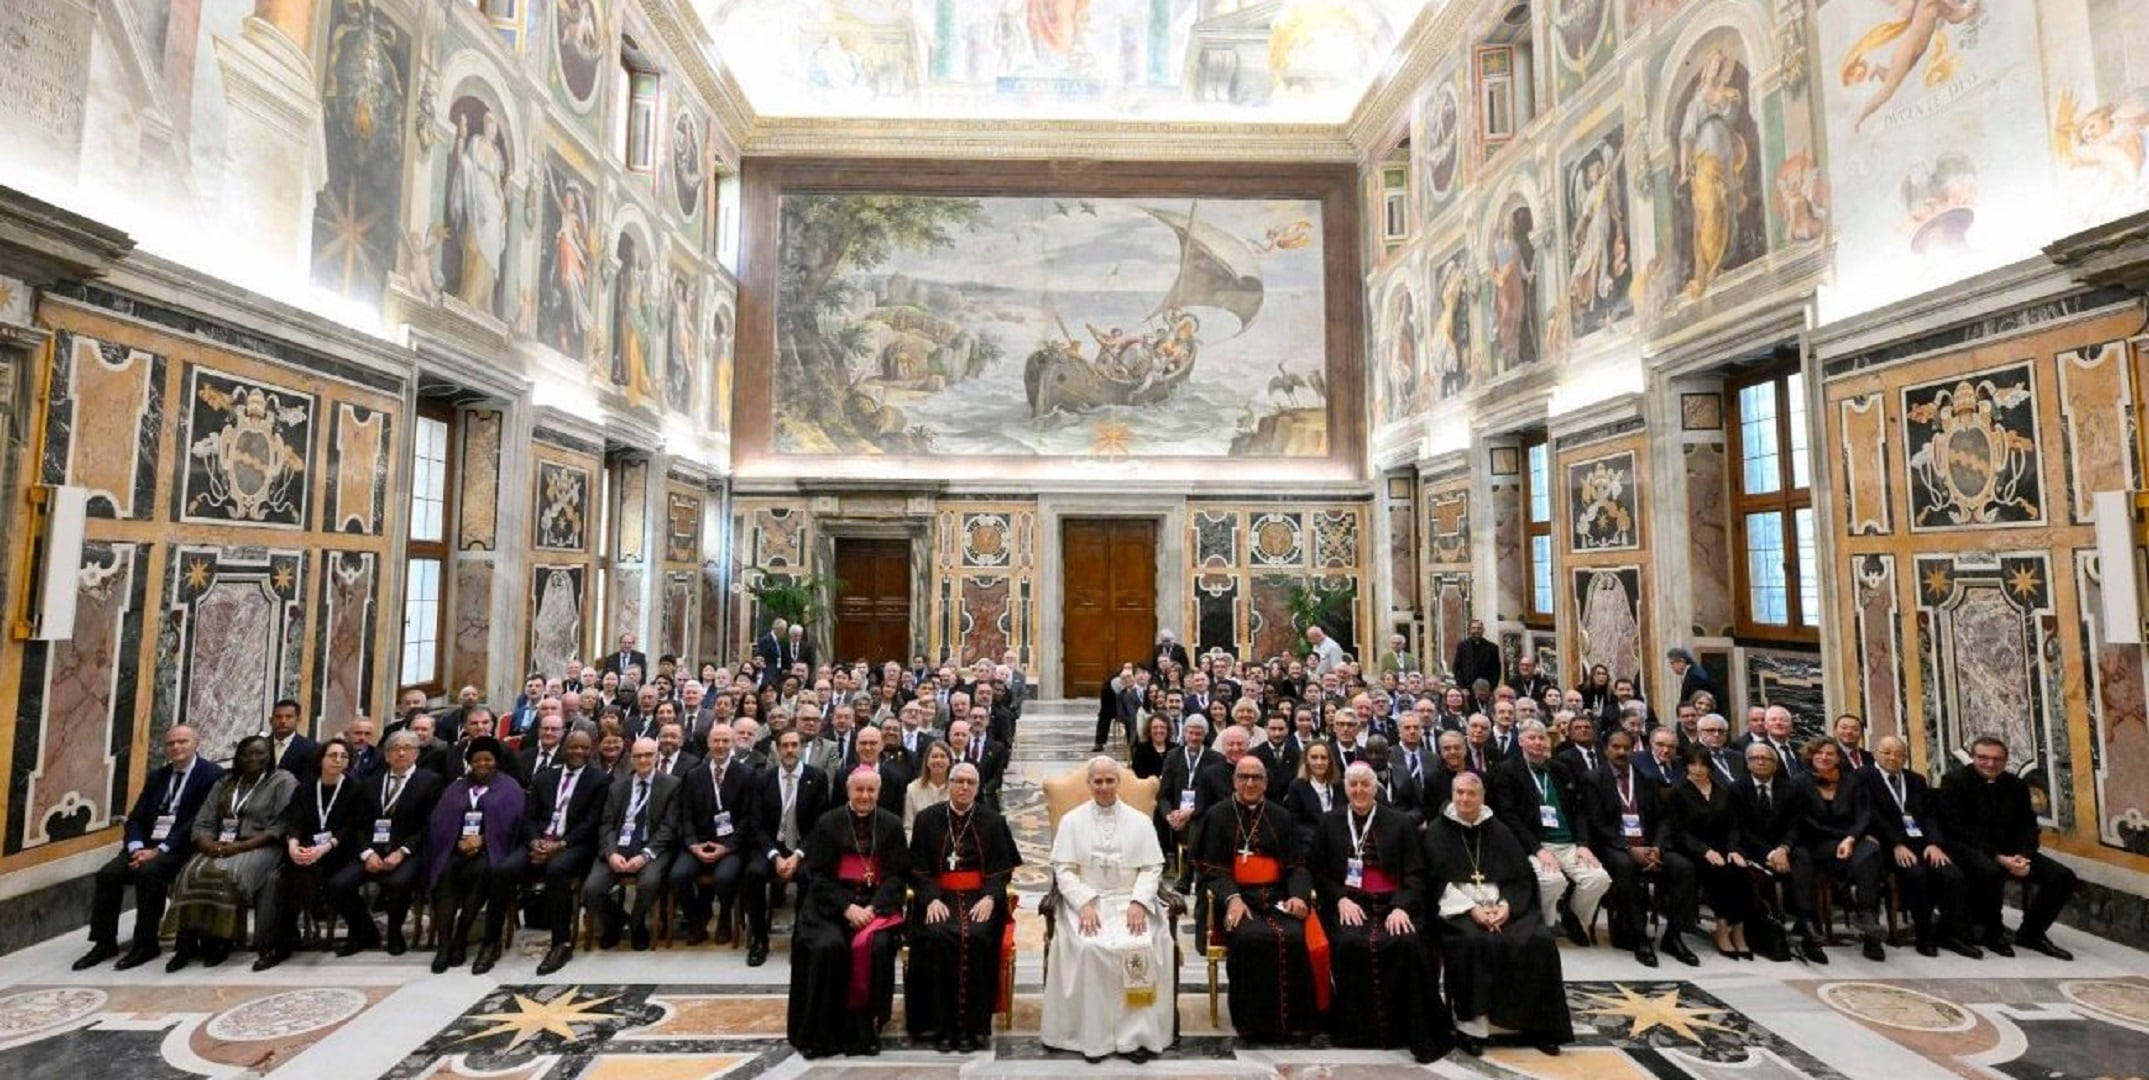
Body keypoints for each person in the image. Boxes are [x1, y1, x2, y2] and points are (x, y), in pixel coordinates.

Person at [1422, 772, 1574, 1057]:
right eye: (1460, 793)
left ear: (1482, 797)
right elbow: (1435, 883)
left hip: (1503, 907)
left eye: (1471, 793)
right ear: (1452, 795)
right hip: (1459, 909)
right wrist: (1473, 909)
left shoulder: (1499, 830)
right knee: (1473, 943)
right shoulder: (1437, 831)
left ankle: (1536, 1026)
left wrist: (1506, 907)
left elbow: (1520, 878)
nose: (1465, 799)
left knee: (1539, 941)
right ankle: (1472, 1028)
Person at [1312, 763, 1452, 1062]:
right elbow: (1319, 873)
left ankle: (1405, 1028)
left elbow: (1416, 874)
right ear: (1345, 788)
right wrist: (1339, 900)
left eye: (1365, 784)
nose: (1359, 790)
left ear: (1376, 788)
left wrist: (1402, 905)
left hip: (1395, 905)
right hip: (1350, 904)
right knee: (1349, 943)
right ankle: (1356, 1031)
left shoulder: (1399, 823)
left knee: (1407, 943)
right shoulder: (1330, 823)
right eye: (1353, 785)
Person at [1041, 756, 1174, 1063]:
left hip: (1131, 900)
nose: (1103, 787)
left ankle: (1138, 1036)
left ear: (1118, 782)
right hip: (1087, 901)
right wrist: (1083, 902)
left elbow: (1152, 867)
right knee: (1090, 948)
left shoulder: (1139, 821)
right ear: (1089, 784)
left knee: (1138, 946)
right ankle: (1095, 1037)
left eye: (1109, 781)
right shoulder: (1072, 821)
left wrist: (1140, 901)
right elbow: (1064, 869)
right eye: (1097, 781)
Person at [1196, 755, 1324, 1044]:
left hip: (1277, 898)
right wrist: (1232, 898)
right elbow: (1211, 870)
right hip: (1238, 900)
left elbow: (1296, 865)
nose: (1250, 783)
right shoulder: (1218, 815)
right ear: (1234, 780)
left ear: (1266, 782)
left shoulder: (1280, 816)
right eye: (1244, 777)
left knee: (1293, 937)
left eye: (1256, 777)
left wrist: (1299, 896)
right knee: (1247, 939)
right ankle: (1252, 1024)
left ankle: (1294, 1023)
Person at [77, 725, 223, 971]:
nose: (176, 747)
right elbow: (136, 817)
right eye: (171, 743)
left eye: (182, 742)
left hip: (180, 846)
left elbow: (198, 821)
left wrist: (161, 850)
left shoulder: (212, 775)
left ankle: (145, 943)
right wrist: (135, 847)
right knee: (108, 874)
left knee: (148, 873)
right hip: (145, 845)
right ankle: (104, 942)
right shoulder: (158, 776)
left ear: (196, 743)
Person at [788, 769, 910, 1059]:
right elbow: (816, 875)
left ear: (878, 793)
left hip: (873, 907)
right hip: (830, 907)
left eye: (871, 790)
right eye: (859, 790)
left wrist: (872, 907)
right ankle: (823, 1033)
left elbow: (897, 876)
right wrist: (847, 907)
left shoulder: (891, 825)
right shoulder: (828, 823)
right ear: (848, 790)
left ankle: (865, 1029)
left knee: (876, 946)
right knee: (829, 947)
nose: (865, 796)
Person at [905, 763, 1021, 1052]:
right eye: (959, 781)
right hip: (938, 898)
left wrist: (991, 898)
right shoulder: (927, 819)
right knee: (935, 936)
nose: (965, 787)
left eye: (971, 782)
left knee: (980, 936)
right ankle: (941, 1028)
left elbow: (1001, 871)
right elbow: (917, 868)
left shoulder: (992, 821)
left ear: (978, 787)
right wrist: (929, 897)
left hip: (978, 898)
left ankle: (974, 1029)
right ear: (950, 784)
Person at [162, 735, 297, 972]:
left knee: (223, 874)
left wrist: (240, 847)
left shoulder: (282, 781)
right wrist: (208, 845)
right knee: (190, 873)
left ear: (270, 756)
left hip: (262, 847)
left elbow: (279, 826)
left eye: (259, 753)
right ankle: (186, 943)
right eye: (246, 754)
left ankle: (220, 941)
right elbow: (203, 821)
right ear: (238, 757)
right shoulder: (225, 782)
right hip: (221, 844)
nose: (252, 758)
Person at [1938, 736, 2077, 960]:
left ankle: (2032, 933)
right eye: (1983, 758)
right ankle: (1994, 933)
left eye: (1997, 759)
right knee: (1990, 871)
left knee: (2062, 877)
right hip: (1969, 848)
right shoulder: (1954, 782)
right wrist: (1998, 857)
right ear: (1973, 758)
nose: (1990, 764)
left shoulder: (2016, 785)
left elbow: (2029, 826)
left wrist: (2024, 856)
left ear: (2005, 761)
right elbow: (1957, 829)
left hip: (2013, 851)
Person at [1489, 721, 1611, 947]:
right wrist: (1537, 849)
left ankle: (1573, 919)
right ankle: (1541, 926)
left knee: (1598, 878)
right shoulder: (1507, 771)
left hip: (1568, 844)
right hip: (1534, 844)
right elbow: (1509, 816)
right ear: (1521, 741)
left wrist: (1583, 843)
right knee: (1552, 881)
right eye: (1532, 737)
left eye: (1541, 738)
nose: (1537, 742)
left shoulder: (1560, 770)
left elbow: (1579, 811)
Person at [261, 738, 375, 970]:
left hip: (341, 850)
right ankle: (282, 942)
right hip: (307, 848)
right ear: (320, 759)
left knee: (330, 882)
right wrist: (293, 845)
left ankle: (359, 931)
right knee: (284, 881)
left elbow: (353, 826)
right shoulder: (306, 787)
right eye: (332, 755)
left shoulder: (355, 788)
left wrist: (326, 846)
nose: (337, 760)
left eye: (343, 756)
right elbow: (295, 820)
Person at [1589, 730, 1699, 967]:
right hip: (1614, 846)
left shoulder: (1646, 779)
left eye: (1626, 748)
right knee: (1627, 868)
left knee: (1684, 868)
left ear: (1634, 750)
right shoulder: (1594, 779)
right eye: (1616, 747)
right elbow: (1598, 824)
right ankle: (1639, 936)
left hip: (1649, 844)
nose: (1621, 752)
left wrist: (1657, 847)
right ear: (1606, 749)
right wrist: (1630, 848)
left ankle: (1674, 935)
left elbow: (1663, 819)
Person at [329, 730, 444, 957]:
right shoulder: (370, 782)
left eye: (407, 748)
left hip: (408, 852)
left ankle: (394, 934)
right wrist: (367, 853)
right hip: (372, 850)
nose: (401, 753)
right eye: (395, 749)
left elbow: (429, 825)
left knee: (399, 883)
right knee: (338, 885)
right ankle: (363, 930)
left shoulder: (431, 782)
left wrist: (401, 852)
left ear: (416, 753)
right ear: (386, 755)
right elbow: (358, 824)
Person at [1864, 734, 1980, 958]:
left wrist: (1934, 843)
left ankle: (1951, 933)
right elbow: (1871, 815)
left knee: (1952, 875)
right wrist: (1896, 844)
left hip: (1922, 843)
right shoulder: (1864, 777)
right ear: (1875, 754)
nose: (1893, 758)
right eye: (1887, 752)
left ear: (1905, 757)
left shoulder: (1916, 780)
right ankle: (1924, 935)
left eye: (1899, 754)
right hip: (1888, 846)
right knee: (1918, 876)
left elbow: (1930, 815)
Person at [424, 736, 526, 974]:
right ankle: (444, 945)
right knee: (445, 875)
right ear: (469, 762)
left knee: (481, 874)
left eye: (487, 760)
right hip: (455, 849)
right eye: (477, 760)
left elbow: (512, 823)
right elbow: (439, 821)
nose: (482, 764)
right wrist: (457, 840)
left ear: (496, 762)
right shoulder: (457, 787)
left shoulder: (508, 787)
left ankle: (461, 938)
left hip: (489, 851)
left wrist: (482, 840)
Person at [585, 737, 682, 951]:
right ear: (631, 759)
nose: (643, 759)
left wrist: (645, 855)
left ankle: (637, 925)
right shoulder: (617, 787)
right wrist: (611, 853)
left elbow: (669, 828)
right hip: (618, 847)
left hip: (653, 848)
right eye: (638, 756)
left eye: (648, 755)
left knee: (648, 883)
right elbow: (607, 825)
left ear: (657, 757)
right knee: (592, 889)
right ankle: (615, 921)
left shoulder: (672, 785)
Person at [1795, 738, 1887, 961]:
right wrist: (1842, 839)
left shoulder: (1853, 781)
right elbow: (1805, 821)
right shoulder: (1800, 782)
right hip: (1817, 841)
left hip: (1852, 840)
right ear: (1811, 756)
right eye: (1819, 753)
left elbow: (1863, 815)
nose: (1824, 757)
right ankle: (1850, 897)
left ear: (1838, 758)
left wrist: (1851, 838)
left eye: (1830, 754)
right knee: (1837, 860)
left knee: (1871, 854)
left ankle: (1868, 921)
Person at [672, 723, 757, 949]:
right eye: (716, 741)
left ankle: (725, 919)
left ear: (733, 744)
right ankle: (697, 918)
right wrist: (693, 846)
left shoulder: (747, 775)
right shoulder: (694, 775)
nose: (720, 746)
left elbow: (748, 818)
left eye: (725, 741)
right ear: (708, 743)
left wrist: (727, 847)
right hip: (699, 843)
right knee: (678, 876)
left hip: (731, 846)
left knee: (725, 877)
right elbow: (685, 815)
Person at [1668, 746, 1755, 959]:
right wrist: (1704, 850)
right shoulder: (1678, 791)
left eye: (1702, 764)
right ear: (1685, 766)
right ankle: (1722, 927)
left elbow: (1734, 824)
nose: (1698, 769)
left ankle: (1740, 930)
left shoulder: (1723, 789)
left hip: (1724, 845)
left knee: (1741, 870)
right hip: (1694, 849)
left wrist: (1734, 849)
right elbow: (1678, 832)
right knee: (1719, 871)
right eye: (1692, 764)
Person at [1287, 740, 1344, 848]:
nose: (1319, 762)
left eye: (1323, 758)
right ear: (1306, 760)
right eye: (1314, 757)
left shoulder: (1339, 785)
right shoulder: (1297, 786)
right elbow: (1296, 823)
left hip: (1338, 843)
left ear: (1330, 761)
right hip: (1310, 845)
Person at [904, 741, 954, 835]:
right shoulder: (913, 788)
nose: (938, 760)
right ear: (927, 761)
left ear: (949, 762)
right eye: (934, 756)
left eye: (943, 756)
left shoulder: (956, 788)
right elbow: (908, 827)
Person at [1451, 620, 1501, 695]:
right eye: (1473, 628)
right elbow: (1457, 668)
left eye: (1478, 628)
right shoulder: (1462, 646)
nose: (1476, 630)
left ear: (1483, 630)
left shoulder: (1492, 648)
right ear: (1470, 630)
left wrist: (1490, 688)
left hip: (1485, 691)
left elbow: (1496, 671)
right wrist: (1462, 687)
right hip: (1467, 690)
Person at [1132, 714, 1173, 780]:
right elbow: (1138, 776)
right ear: (1149, 730)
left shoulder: (1175, 749)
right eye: (1155, 727)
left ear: (1167, 730)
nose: (1159, 730)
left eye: (1162, 727)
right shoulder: (1141, 750)